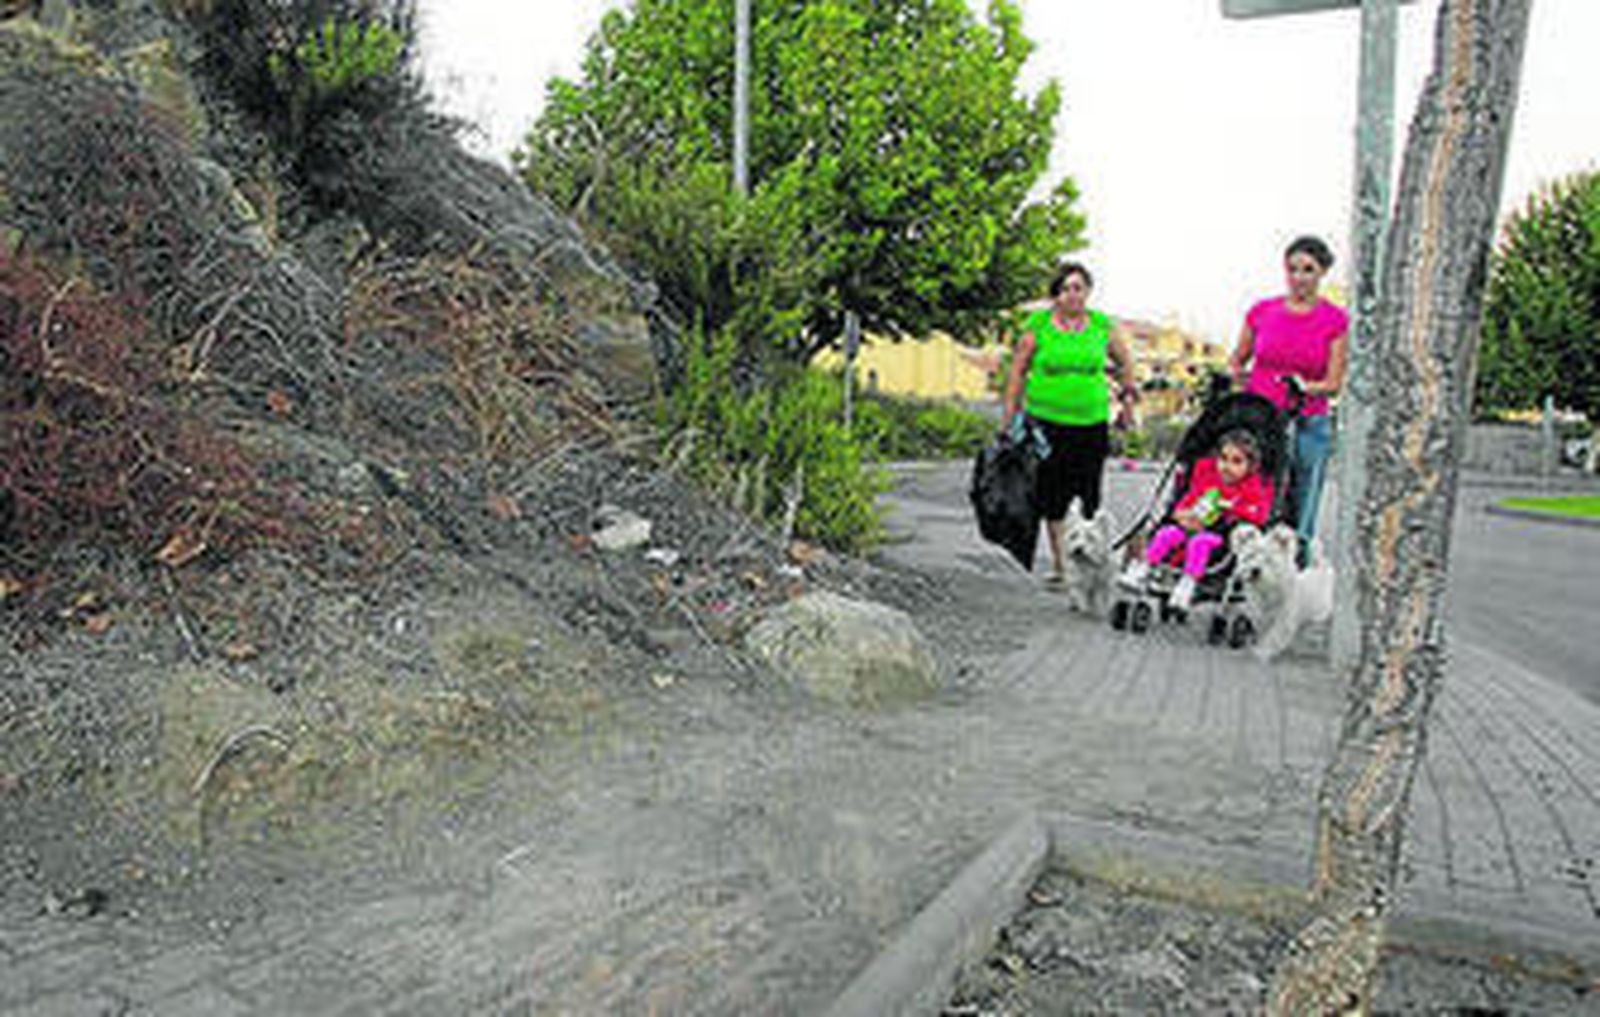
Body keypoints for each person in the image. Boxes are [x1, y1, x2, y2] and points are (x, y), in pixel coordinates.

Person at [1001, 262, 1138, 584]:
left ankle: (1087, 561)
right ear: (1056, 295)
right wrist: (1011, 414)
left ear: (1087, 291)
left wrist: (1127, 403)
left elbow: (1125, 363)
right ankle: (1063, 566)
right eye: (1065, 289)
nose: (1072, 294)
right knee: (1052, 493)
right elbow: (1018, 370)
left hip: (1091, 420)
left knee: (1089, 493)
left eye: (1078, 288)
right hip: (1046, 420)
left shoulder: (1101, 325)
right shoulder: (1039, 325)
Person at [1228, 235, 1348, 565]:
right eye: (1292, 269)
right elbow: (1238, 359)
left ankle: (1298, 565)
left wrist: (1306, 388)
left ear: (1322, 273)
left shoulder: (1335, 320)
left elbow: (1334, 383)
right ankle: (1245, 560)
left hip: (1308, 419)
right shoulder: (1262, 312)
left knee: (1302, 497)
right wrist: (1237, 377)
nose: (1299, 277)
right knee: (1256, 489)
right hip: (1260, 417)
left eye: (1308, 270)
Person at [1120, 429, 1271, 610]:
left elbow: (1257, 514)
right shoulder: (1207, 481)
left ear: (1251, 466)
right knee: (1166, 533)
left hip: (1221, 538)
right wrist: (1182, 514)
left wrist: (1230, 509)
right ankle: (1143, 567)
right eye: (1223, 458)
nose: (1227, 466)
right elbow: (1187, 501)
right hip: (1190, 527)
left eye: (1236, 461)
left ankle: (1188, 583)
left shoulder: (1251, 489)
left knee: (1199, 543)